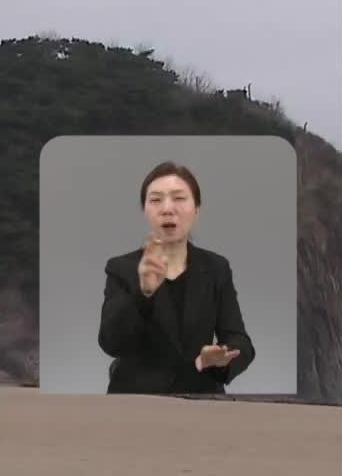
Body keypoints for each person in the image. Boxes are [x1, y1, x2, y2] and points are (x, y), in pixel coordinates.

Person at [97, 161, 255, 394]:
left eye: (179, 198)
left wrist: (219, 358)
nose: (167, 208)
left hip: (201, 399)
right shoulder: (122, 267)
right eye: (156, 200)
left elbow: (240, 341)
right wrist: (144, 293)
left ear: (197, 209)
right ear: (145, 210)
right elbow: (111, 342)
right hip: (135, 401)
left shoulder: (216, 268)